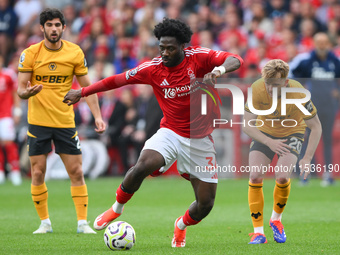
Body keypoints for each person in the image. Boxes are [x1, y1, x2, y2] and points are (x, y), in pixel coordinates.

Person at [63, 18, 243, 247]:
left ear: (182, 47)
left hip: (200, 139)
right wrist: (83, 92)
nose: (165, 53)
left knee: (205, 204)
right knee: (142, 165)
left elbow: (236, 59)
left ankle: (180, 226)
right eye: (162, 48)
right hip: (170, 131)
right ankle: (116, 208)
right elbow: (116, 81)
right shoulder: (153, 68)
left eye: (171, 48)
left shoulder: (198, 58)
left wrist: (218, 70)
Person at [17, 8, 106, 234]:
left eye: (57, 25)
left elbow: (89, 88)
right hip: (38, 121)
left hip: (65, 122)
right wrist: (27, 94)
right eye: (49, 25)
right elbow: (20, 89)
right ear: (42, 28)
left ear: (63, 28)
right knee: (37, 172)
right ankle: (44, 223)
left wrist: (97, 116)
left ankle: (82, 223)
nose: (53, 29)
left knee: (76, 171)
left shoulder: (75, 53)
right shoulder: (30, 54)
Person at [243, 59, 322, 244]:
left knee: (282, 177)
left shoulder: (298, 93)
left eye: (276, 85)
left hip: (292, 132)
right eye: (268, 84)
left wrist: (307, 158)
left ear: (286, 82)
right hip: (264, 133)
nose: (270, 89)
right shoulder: (256, 89)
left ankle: (276, 220)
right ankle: (258, 233)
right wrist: (269, 141)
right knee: (255, 175)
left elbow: (316, 127)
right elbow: (247, 125)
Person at [289, 32, 340, 186]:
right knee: (306, 139)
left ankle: (328, 174)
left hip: (329, 106)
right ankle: (304, 174)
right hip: (309, 108)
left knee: (327, 140)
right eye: (320, 42)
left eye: (325, 42)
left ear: (329, 44)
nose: (322, 45)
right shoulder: (306, 61)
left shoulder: (335, 61)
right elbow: (292, 76)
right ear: (314, 43)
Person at [0, 54, 22, 185]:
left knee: (9, 144)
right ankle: (1, 172)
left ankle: (15, 171)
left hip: (6, 115)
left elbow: (15, 92)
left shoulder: (8, 75)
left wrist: (17, 111)